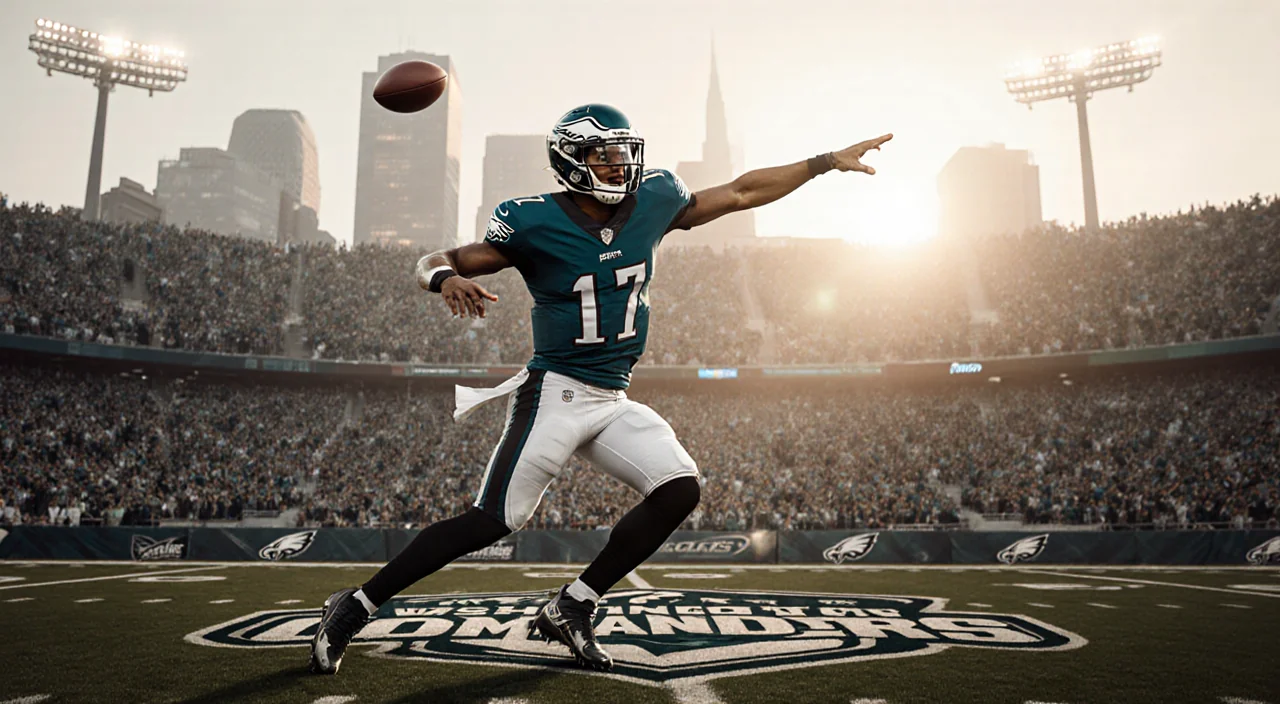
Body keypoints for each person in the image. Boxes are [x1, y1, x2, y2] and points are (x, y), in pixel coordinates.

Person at [309, 103, 891, 674]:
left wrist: (823, 162)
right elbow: (434, 258)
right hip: (555, 391)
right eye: (604, 157)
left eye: (624, 154)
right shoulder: (533, 219)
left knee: (679, 489)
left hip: (612, 396)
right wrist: (446, 278)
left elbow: (740, 192)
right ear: (569, 160)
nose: (620, 167)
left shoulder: (654, 199)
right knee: (492, 522)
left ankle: (573, 605)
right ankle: (354, 606)